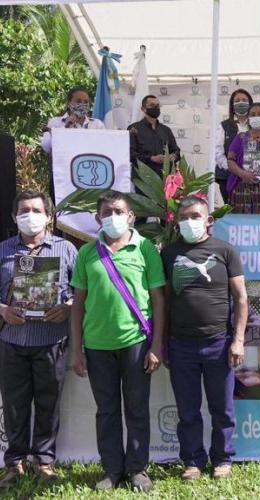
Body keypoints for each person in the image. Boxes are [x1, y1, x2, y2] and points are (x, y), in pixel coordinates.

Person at [70, 191, 166, 492]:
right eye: (107, 212)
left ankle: (137, 469)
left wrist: (156, 346)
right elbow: (78, 305)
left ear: (131, 217)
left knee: (136, 409)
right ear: (98, 218)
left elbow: (159, 300)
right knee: (107, 410)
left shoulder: (145, 249)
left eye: (119, 211)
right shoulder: (87, 253)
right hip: (97, 346)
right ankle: (112, 470)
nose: (113, 217)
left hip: (136, 343)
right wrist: (76, 350)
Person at [161, 195, 247, 481]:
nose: (189, 222)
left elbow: (241, 299)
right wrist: (164, 344)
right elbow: (164, 300)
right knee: (187, 410)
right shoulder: (169, 254)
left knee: (222, 408)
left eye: (195, 216)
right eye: (184, 217)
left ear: (209, 220)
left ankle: (222, 458)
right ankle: (193, 461)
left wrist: (238, 340)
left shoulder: (225, 251)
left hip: (219, 343)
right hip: (181, 344)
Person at [0, 192, 76, 488]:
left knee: (49, 403)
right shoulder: (3, 250)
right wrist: (3, 310)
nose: (29, 215)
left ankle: (44, 460)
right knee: (14, 405)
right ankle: (14, 462)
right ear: (14, 217)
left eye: (36, 210)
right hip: (12, 340)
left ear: (48, 216)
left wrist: (68, 307)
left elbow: (81, 292)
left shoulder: (66, 249)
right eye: (23, 210)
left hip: (52, 340)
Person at [215, 89, 253, 204]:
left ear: (250, 104)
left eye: (244, 100)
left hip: (251, 177)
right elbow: (218, 152)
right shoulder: (224, 126)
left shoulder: (256, 125)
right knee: (231, 209)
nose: (241, 103)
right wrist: (233, 168)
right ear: (232, 105)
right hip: (227, 176)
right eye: (237, 101)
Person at [41, 86, 105, 154]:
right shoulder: (55, 122)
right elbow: (47, 147)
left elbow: (104, 147)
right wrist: (66, 128)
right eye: (78, 101)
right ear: (69, 103)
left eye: (86, 102)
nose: (82, 104)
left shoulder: (97, 125)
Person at [128, 95, 181, 175]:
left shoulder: (166, 130)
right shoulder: (134, 128)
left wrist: (173, 156)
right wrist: (151, 158)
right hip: (143, 178)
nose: (156, 108)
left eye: (157, 105)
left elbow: (176, 150)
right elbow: (130, 154)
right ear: (143, 109)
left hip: (165, 177)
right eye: (152, 105)